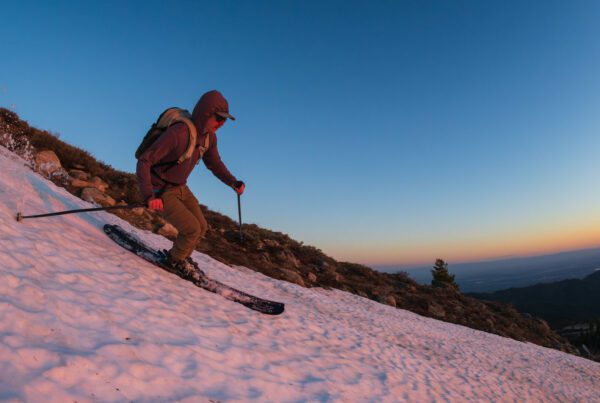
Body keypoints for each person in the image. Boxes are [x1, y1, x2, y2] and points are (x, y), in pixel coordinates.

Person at [136, 90, 244, 272]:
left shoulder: (210, 138)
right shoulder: (179, 133)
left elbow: (214, 164)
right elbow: (144, 161)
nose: (222, 123)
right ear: (206, 114)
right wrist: (149, 195)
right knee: (192, 229)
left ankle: (182, 257)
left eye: (225, 120)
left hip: (180, 187)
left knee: (202, 227)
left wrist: (233, 182)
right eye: (219, 118)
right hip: (160, 189)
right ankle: (173, 261)